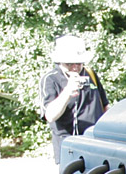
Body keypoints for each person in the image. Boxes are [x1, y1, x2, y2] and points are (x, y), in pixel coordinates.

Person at [40, 35, 109, 163]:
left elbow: (105, 106)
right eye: (69, 63)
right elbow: (50, 115)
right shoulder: (50, 79)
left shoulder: (91, 74)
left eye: (79, 62)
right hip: (68, 147)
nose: (75, 67)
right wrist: (67, 92)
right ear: (60, 61)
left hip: (95, 143)